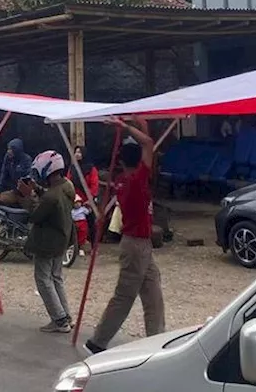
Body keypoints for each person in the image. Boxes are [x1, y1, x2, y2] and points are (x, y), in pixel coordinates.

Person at [86, 119, 165, 354]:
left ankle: (157, 338)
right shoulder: (136, 180)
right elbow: (149, 143)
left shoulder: (122, 180)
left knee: (153, 293)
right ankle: (98, 341)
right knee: (124, 296)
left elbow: (146, 142)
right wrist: (127, 126)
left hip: (139, 244)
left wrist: (137, 122)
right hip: (136, 244)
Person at [23, 150, 75, 333]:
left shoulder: (52, 196)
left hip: (47, 242)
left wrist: (28, 196)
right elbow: (50, 197)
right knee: (56, 277)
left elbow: (36, 215)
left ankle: (59, 319)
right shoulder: (67, 185)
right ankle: (65, 315)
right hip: (63, 239)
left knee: (43, 279)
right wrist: (38, 190)